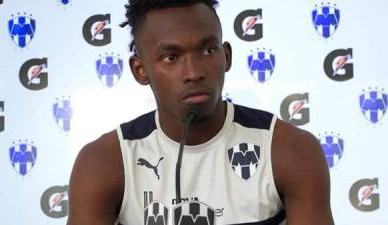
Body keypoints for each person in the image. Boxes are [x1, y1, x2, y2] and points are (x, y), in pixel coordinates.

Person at [67, 0, 334, 225]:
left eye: (208, 50)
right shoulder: (104, 163)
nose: (194, 72)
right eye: (171, 57)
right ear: (140, 70)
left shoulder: (289, 150)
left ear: (226, 56)